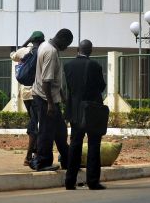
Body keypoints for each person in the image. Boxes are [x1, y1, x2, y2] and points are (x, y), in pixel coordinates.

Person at [63, 39, 107, 190]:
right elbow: (101, 86)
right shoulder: (94, 65)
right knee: (94, 145)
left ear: (77, 49)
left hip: (75, 111)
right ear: (91, 51)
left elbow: (70, 87)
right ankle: (93, 181)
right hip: (92, 110)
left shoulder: (68, 66)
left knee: (75, 145)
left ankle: (69, 181)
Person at [29, 28, 72, 172]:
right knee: (46, 132)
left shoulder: (44, 45)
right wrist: (51, 104)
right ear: (63, 39)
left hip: (48, 97)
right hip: (45, 98)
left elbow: (53, 79)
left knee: (60, 130)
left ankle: (67, 160)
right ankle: (42, 162)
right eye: (68, 44)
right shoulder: (51, 52)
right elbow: (46, 81)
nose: (67, 48)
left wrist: (62, 96)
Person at [9, 30, 45, 167]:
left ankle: (33, 153)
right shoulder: (42, 52)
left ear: (32, 40)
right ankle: (30, 156)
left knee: (34, 120)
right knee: (36, 123)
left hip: (25, 93)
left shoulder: (24, 51)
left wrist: (25, 42)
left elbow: (12, 55)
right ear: (42, 41)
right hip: (37, 92)